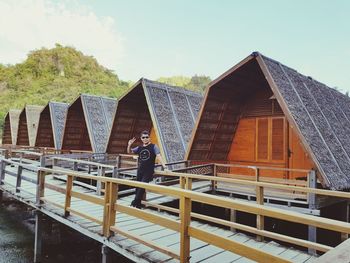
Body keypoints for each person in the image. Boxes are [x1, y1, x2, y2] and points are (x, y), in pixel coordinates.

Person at [127, 130, 167, 208]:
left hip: (148, 170)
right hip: (140, 169)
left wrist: (164, 166)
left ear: (149, 138)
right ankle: (138, 204)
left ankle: (134, 202)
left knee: (142, 186)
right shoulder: (139, 147)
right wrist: (129, 145)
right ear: (141, 139)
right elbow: (129, 152)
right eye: (143, 137)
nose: (145, 139)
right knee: (137, 186)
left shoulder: (154, 146)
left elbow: (159, 156)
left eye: (147, 137)